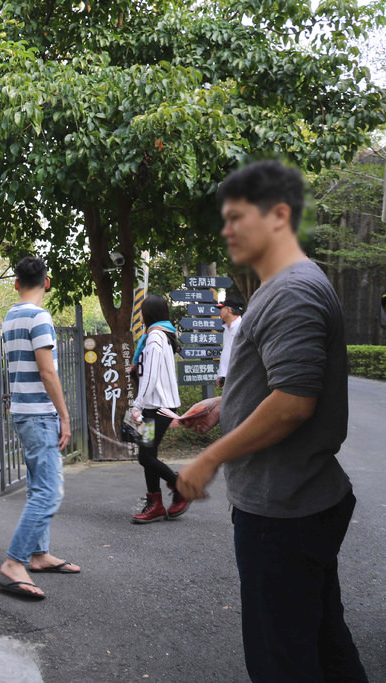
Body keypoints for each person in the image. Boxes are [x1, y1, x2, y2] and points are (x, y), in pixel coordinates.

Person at [177, 160, 367, 682]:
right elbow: (280, 383)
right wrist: (223, 406)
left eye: (239, 217)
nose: (227, 229)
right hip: (296, 502)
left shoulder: (291, 290)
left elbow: (293, 401)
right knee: (324, 639)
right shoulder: (282, 287)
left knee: (281, 659)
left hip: (285, 513)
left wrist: (211, 457)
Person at [0, 256, 80, 601]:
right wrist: (64, 415)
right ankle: (15, 561)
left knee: (36, 486)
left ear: (16, 284)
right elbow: (48, 372)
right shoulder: (40, 317)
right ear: (47, 283)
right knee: (49, 492)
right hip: (40, 415)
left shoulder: (10, 317)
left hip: (21, 412)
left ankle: (39, 554)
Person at [128, 294, 190, 523]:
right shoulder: (163, 335)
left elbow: (151, 376)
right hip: (156, 406)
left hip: (156, 408)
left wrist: (137, 406)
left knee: (146, 456)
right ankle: (155, 504)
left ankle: (180, 487)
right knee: (147, 455)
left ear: (146, 315)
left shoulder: (154, 337)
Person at [216, 298, 245, 388]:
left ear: (229, 310)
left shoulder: (242, 326)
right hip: (230, 376)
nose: (219, 312)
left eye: (221, 309)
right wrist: (222, 374)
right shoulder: (227, 329)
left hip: (241, 375)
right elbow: (227, 352)